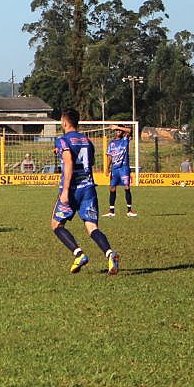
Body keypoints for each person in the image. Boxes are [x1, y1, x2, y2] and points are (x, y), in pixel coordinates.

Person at [51, 109, 119, 275]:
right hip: (88, 189)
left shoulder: (62, 140)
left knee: (56, 225)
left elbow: (69, 163)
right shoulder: (87, 141)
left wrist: (65, 190)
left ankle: (79, 254)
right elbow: (91, 161)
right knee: (92, 227)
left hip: (72, 190)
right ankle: (110, 254)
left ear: (64, 122)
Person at [105, 125, 136, 217]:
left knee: (126, 187)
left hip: (124, 168)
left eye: (119, 130)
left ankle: (129, 210)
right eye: (117, 130)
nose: (118, 131)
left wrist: (117, 127)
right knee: (112, 187)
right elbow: (109, 156)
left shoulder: (125, 139)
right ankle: (111, 211)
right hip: (115, 169)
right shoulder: (111, 143)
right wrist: (107, 168)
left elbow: (130, 130)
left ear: (122, 132)